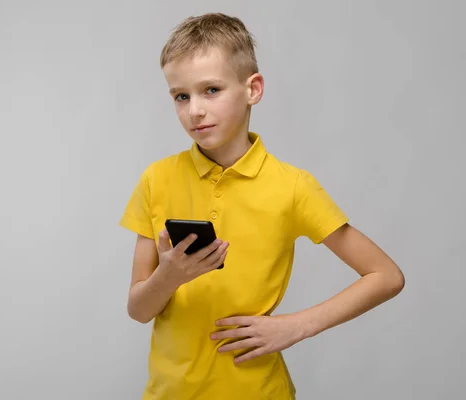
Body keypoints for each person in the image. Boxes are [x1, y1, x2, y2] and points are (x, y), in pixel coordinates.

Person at [120, 12, 405, 400]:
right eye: (181, 96)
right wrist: (169, 276)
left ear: (252, 89)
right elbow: (138, 310)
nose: (195, 110)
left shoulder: (292, 187)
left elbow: (386, 276)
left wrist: (296, 326)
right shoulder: (157, 179)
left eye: (211, 90)